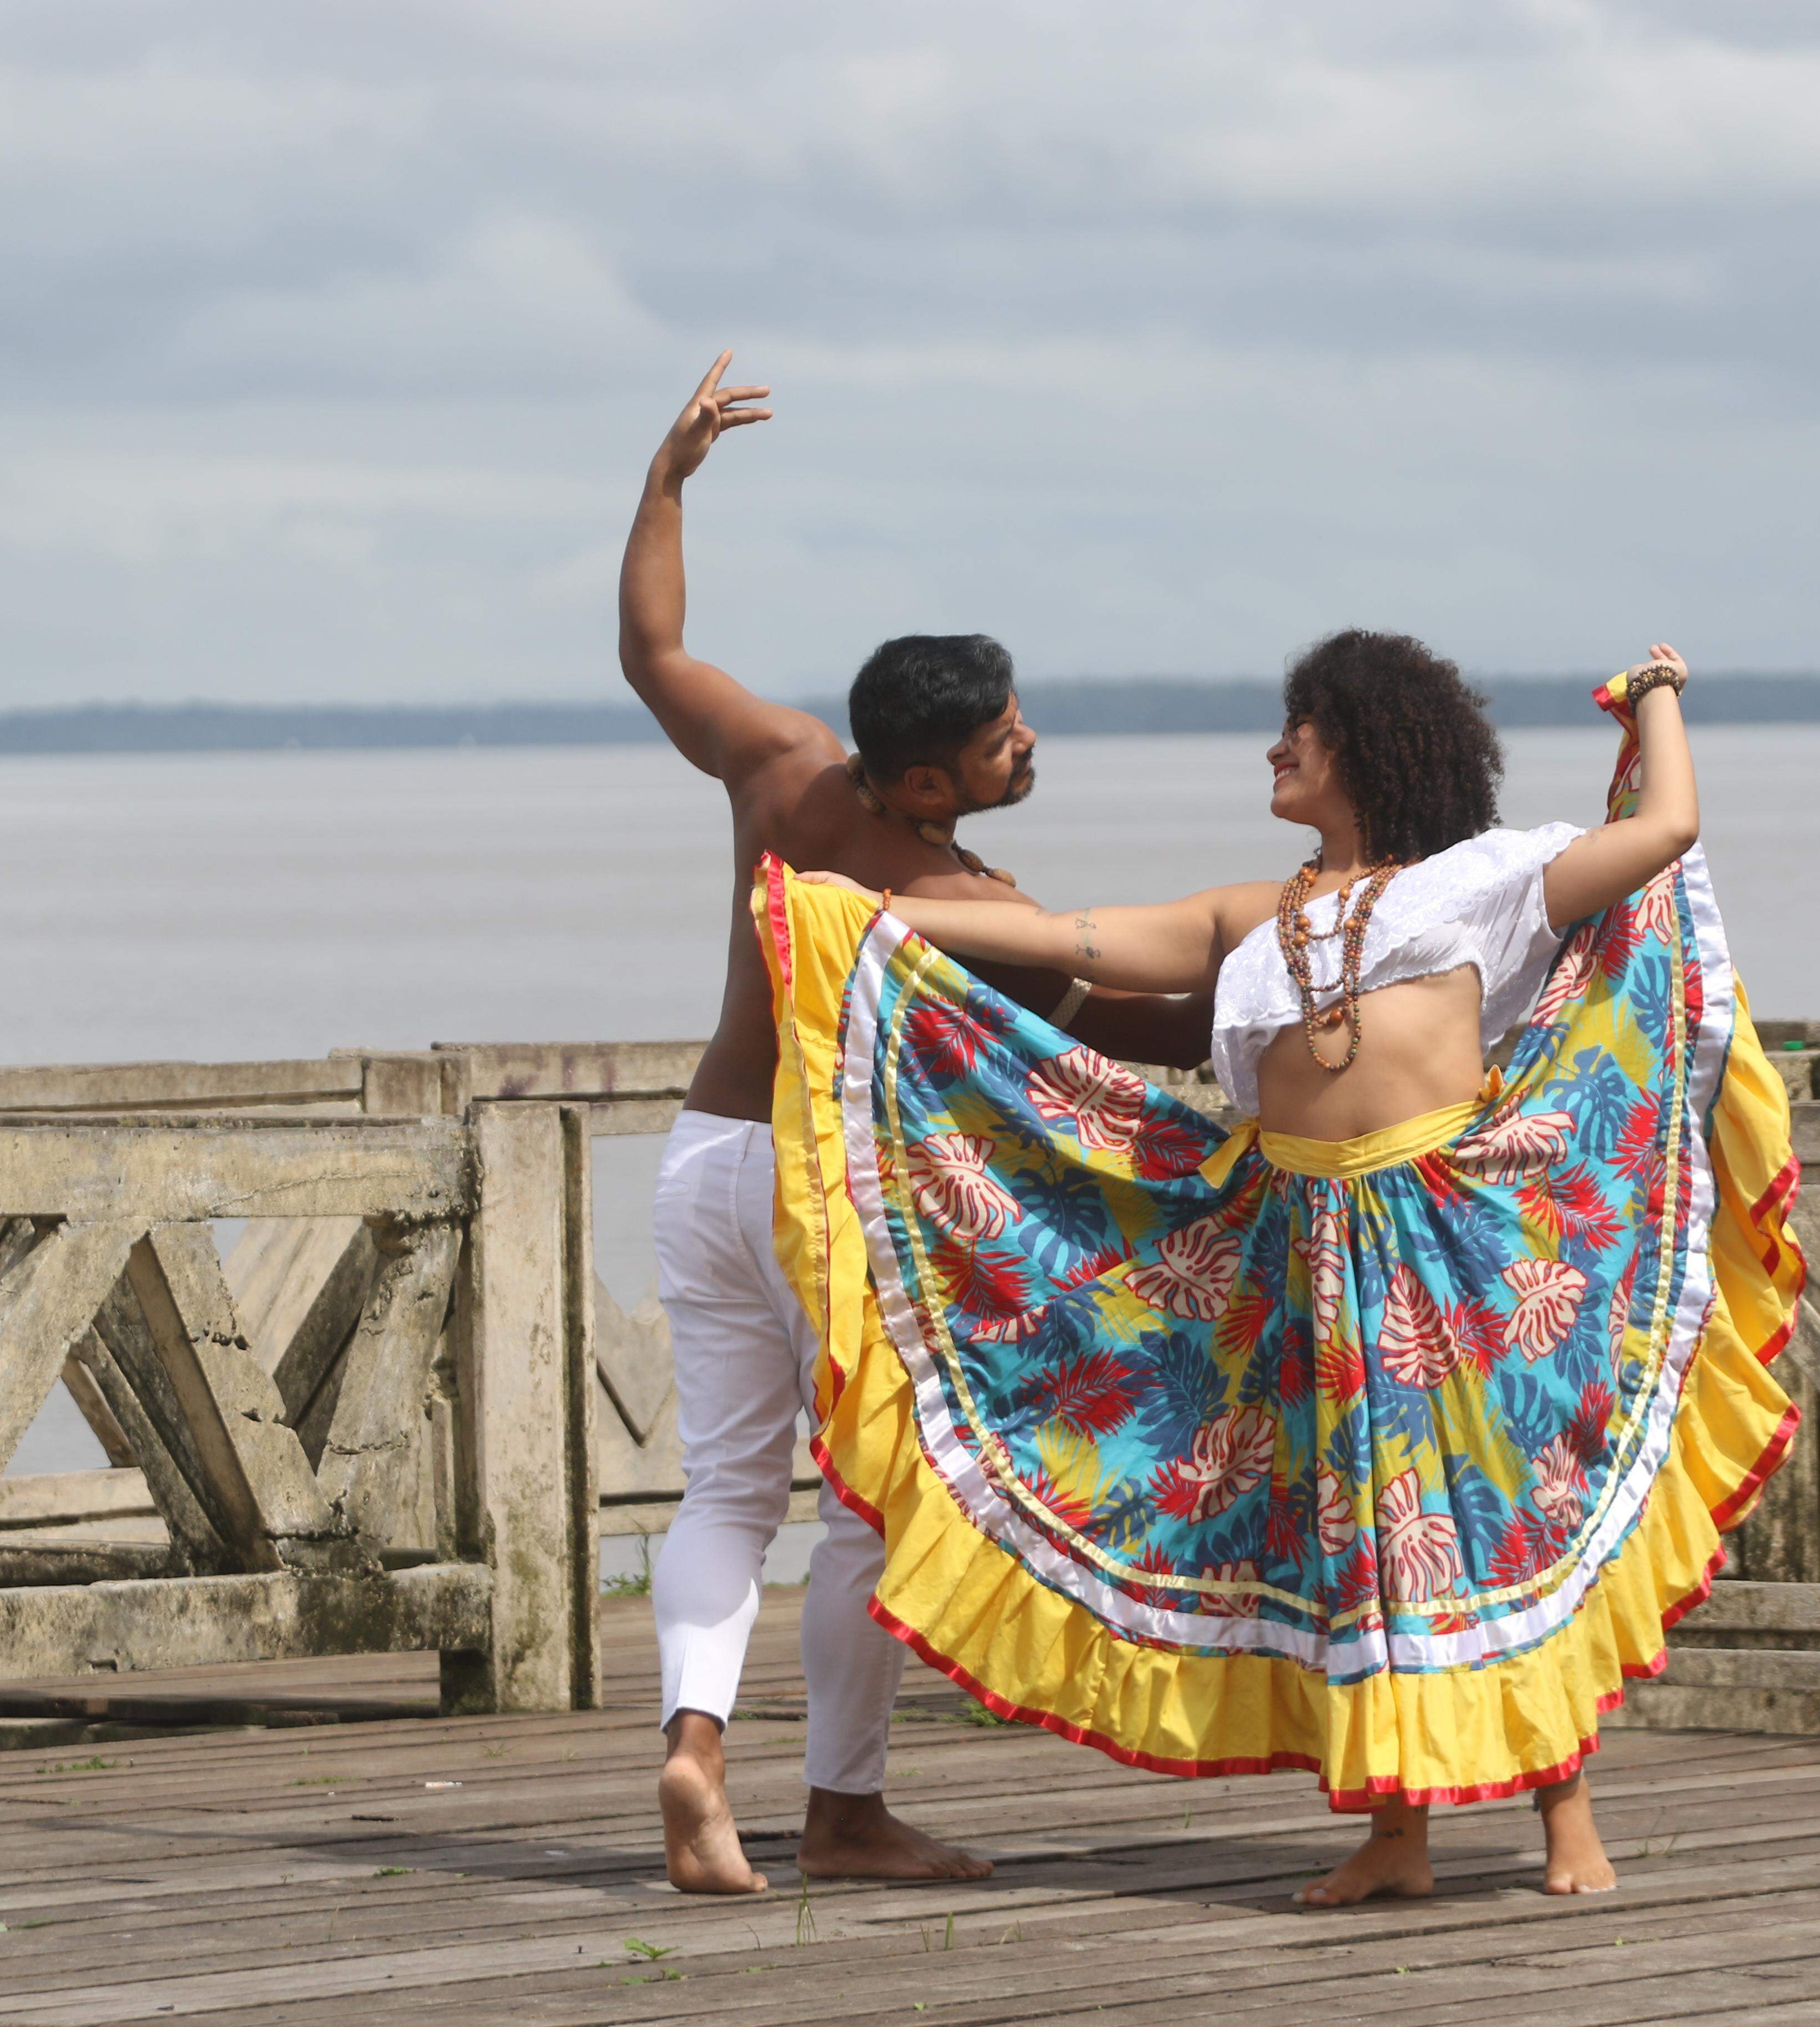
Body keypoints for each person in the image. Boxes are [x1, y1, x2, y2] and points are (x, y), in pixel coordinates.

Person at [759, 627, 1805, 1906]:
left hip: (1448, 1250)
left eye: (1296, 732)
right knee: (1360, 1541)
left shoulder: (1483, 880)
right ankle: (1396, 1833)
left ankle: (1565, 1810)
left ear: (1359, 748)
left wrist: (1655, 704)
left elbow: (1665, 832)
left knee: (1494, 1519)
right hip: (1302, 1253)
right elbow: (1075, 938)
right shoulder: (1261, 917)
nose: (1274, 748)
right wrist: (873, 912)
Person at [617, 353, 1209, 1896]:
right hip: (821, 1197)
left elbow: (653, 646)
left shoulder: (783, 766)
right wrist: (1325, 1008)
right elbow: (1146, 1026)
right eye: (1012, 742)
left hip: (701, 1162)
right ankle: (840, 1811)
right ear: (937, 776)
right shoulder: (962, 905)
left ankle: (694, 1744)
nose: (1034, 748)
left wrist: (668, 480)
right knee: (875, 1498)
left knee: (727, 1491)